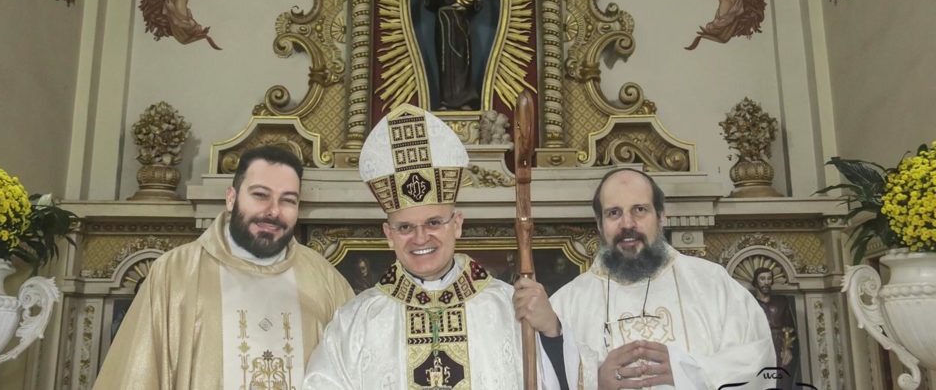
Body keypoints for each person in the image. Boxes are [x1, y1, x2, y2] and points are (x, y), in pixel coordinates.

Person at [303, 104, 558, 389]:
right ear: (389, 234)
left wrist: (553, 332)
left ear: (457, 224)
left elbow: (561, 376)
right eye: (405, 227)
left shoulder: (506, 306)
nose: (421, 237)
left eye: (434, 222)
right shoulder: (356, 321)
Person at [94, 145, 354, 389]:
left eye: (288, 200)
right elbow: (137, 376)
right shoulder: (175, 272)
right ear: (231, 198)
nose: (273, 211)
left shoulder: (325, 279)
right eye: (260, 195)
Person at [514, 168, 775, 389]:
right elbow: (537, 378)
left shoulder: (711, 284)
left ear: (661, 217)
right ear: (599, 224)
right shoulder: (567, 304)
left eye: (639, 210)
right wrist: (596, 381)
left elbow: (760, 361)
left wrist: (688, 371)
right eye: (614, 213)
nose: (627, 224)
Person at [406, 0, 481, 111]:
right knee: (445, 61)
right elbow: (433, 3)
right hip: (444, 21)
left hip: (461, 21)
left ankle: (464, 100)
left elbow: (476, 1)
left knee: (463, 60)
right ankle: (446, 101)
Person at [751, 266, 799, 389]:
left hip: (779, 345)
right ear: (756, 281)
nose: (766, 282)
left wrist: (787, 348)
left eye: (769, 278)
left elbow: (789, 327)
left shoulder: (781, 302)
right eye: (762, 279)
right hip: (759, 345)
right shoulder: (750, 303)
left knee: (782, 381)